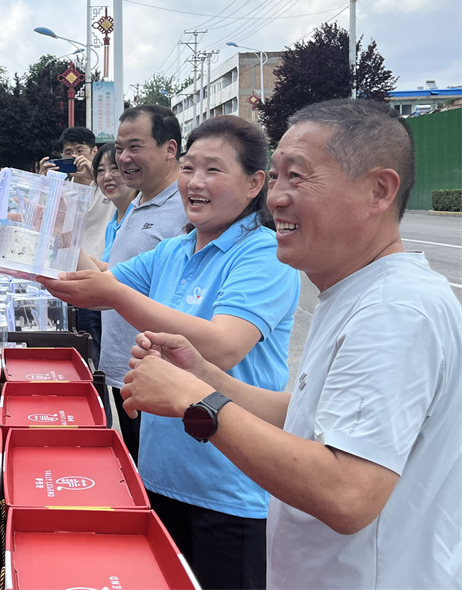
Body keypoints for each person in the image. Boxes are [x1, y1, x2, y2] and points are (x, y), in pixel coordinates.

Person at [122, 99, 461, 590]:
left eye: (297, 177)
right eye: (277, 176)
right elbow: (309, 413)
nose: (276, 197)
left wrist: (195, 400)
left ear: (378, 190)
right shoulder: (354, 291)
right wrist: (205, 375)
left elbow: (347, 493)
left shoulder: (394, 310)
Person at [43, 115, 300, 590]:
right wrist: (58, 229)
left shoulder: (263, 254)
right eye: (189, 168)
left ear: (254, 184)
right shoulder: (176, 250)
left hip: (227, 487)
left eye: (213, 169)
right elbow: (102, 281)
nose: (195, 182)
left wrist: (115, 295)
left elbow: (223, 345)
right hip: (162, 476)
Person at [89, 105, 188, 454]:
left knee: (156, 469)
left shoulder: (186, 208)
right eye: (119, 148)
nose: (123, 158)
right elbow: (114, 274)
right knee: (135, 463)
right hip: (124, 366)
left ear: (170, 149)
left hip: (160, 373)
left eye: (135, 147)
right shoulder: (138, 202)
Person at [39, 127, 114, 370]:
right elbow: (46, 220)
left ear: (94, 151)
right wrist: (44, 184)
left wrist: (95, 174)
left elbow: (125, 199)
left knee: (97, 349)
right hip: (66, 274)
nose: (73, 157)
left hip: (100, 274)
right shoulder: (62, 187)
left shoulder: (108, 186)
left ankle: (98, 381)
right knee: (74, 347)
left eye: (79, 150)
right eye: (67, 152)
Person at [90, 143, 137, 264]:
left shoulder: (140, 217)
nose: (107, 176)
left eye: (115, 168)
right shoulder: (112, 224)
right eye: (100, 170)